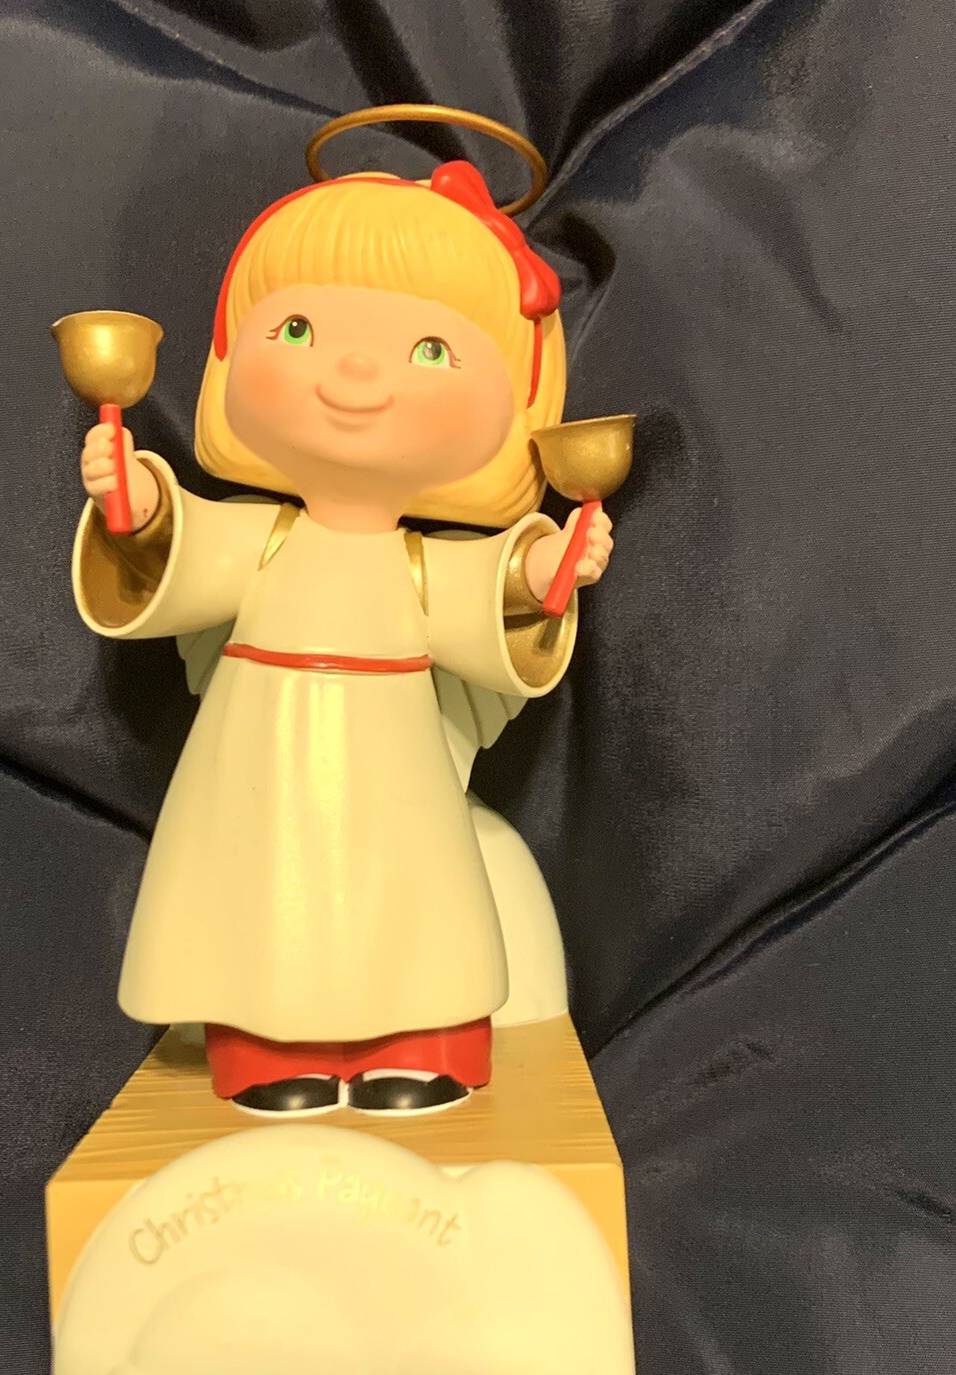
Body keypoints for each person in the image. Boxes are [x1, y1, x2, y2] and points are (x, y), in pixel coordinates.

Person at [71, 157, 614, 1115]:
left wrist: (545, 570)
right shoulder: (263, 540)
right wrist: (140, 501)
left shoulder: (416, 565)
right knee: (268, 905)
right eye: (297, 330)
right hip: (263, 766)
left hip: (397, 773)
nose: (355, 372)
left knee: (408, 907)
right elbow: (180, 552)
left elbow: (481, 600)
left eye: (431, 350)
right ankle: (269, 1057)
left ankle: (420, 1046)